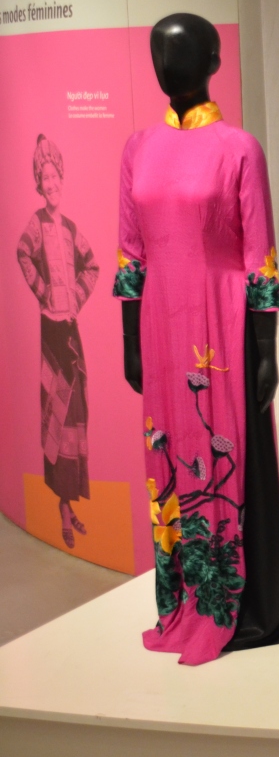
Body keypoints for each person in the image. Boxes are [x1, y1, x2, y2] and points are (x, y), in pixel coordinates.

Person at [116, 13, 279, 666]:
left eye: (184, 52)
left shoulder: (238, 148)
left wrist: (267, 349)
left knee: (227, 455)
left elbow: (260, 256)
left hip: (221, 327)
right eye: (159, 54)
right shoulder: (137, 147)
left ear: (215, 60)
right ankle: (184, 594)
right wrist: (129, 339)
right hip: (160, 326)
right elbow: (130, 251)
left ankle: (246, 603)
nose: (169, 65)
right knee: (170, 456)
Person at [17, 134, 99, 549]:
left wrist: (75, 298)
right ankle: (62, 508)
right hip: (52, 333)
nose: (50, 183)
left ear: (61, 179)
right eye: (44, 177)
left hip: (70, 330)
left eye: (54, 176)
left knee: (76, 411)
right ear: (39, 183)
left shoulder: (70, 229)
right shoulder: (36, 223)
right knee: (57, 416)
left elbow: (93, 266)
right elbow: (22, 253)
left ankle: (69, 501)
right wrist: (44, 291)